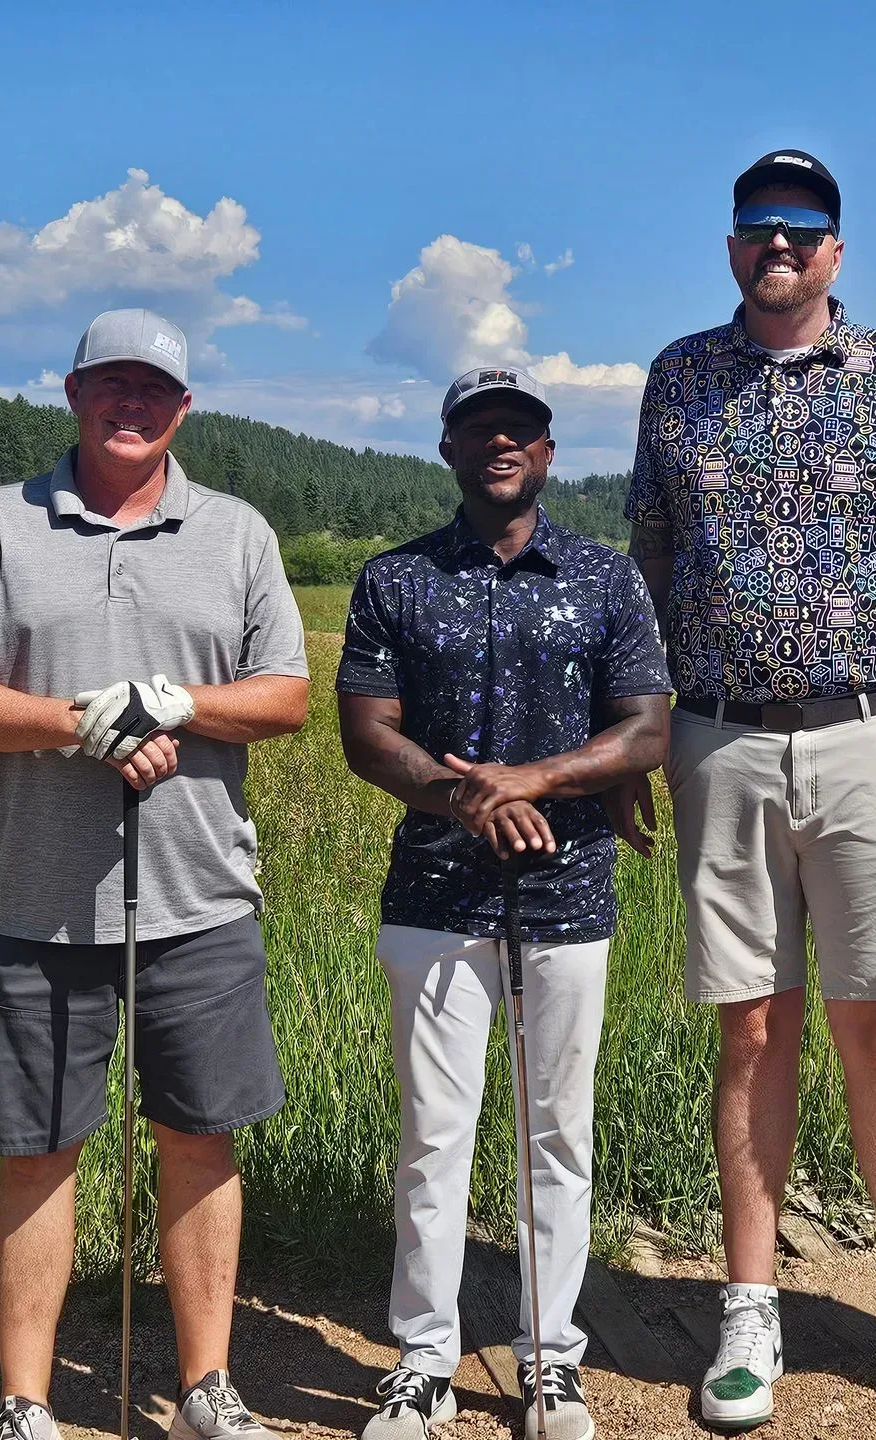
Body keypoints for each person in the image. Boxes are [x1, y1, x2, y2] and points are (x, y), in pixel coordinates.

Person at [621, 149, 876, 1438]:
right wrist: (636, 737)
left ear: (836, 248)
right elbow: (648, 568)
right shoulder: (678, 378)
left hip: (869, 736)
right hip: (718, 741)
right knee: (751, 1030)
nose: (774, 245)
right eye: (754, 227)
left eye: (798, 228)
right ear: (730, 245)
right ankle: (750, 1305)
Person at [0, 309, 311, 1440]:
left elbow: (282, 694)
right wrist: (76, 723)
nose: (130, 404)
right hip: (41, 897)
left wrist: (182, 701)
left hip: (201, 895)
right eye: (109, 384)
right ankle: (25, 1403)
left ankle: (204, 1388)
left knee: (199, 1139)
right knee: (38, 1149)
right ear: (74, 392)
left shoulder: (235, 533)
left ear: (183, 407)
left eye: (153, 388)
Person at [338, 365, 672, 1440]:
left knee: (555, 1136)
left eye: (518, 430)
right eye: (479, 430)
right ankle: (423, 1359)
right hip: (435, 895)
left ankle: (550, 1362)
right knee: (436, 1137)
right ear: (447, 449)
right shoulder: (394, 579)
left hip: (569, 892)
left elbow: (648, 730)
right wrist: (462, 797)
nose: (500, 445)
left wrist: (527, 781)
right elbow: (368, 734)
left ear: (547, 451)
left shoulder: (608, 580)